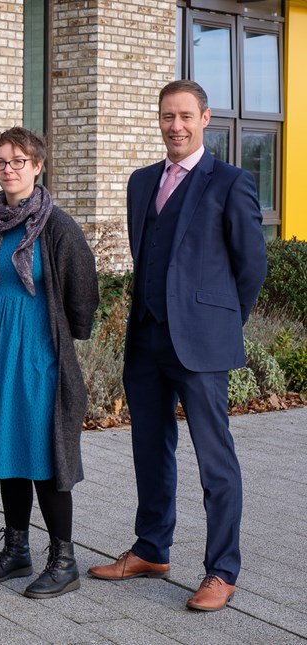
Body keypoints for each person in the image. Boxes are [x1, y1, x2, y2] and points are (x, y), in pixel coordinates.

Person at [88, 80, 267, 612]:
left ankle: (222, 570)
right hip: (145, 339)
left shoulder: (231, 182)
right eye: (168, 116)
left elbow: (251, 266)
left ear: (205, 119)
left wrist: (219, 323)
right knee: (150, 448)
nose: (176, 126)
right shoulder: (142, 182)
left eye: (186, 116)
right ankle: (151, 548)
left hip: (202, 344)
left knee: (215, 459)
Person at [0, 127, 99, 599]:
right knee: (7, 450)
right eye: (0, 161)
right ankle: (17, 549)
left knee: (44, 452)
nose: (8, 169)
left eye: (18, 161)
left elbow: (83, 295)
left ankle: (64, 559)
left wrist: (58, 341)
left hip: (38, 353)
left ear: (37, 166)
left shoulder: (58, 226)